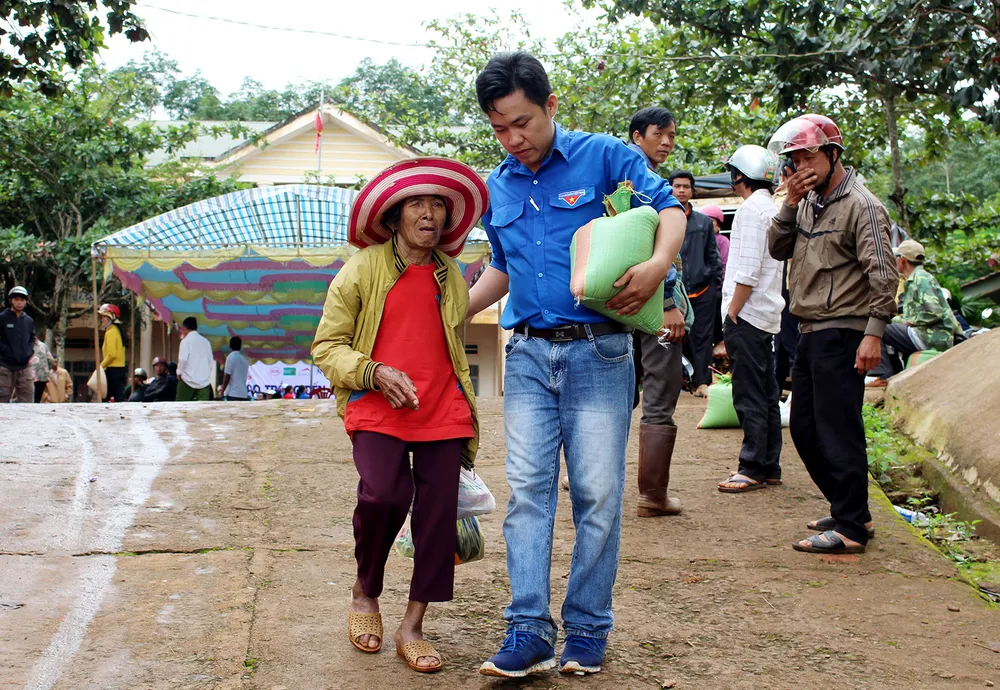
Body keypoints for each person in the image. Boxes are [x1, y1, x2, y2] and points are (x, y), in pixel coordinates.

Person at [469, 53, 686, 678]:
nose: (514, 139)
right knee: (527, 495)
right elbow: (502, 267)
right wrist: (451, 311)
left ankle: (588, 628)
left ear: (551, 106)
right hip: (527, 354)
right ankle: (528, 629)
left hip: (601, 351)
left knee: (597, 495)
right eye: (500, 128)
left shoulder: (605, 156)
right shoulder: (498, 185)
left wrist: (657, 267)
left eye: (523, 123)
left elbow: (670, 209)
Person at [312, 156, 486, 675]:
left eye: (438, 205)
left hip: (442, 406)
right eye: (417, 205)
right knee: (383, 495)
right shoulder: (361, 269)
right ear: (393, 217)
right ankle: (365, 590)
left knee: (437, 515)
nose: (429, 214)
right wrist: (373, 372)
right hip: (376, 402)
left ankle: (413, 625)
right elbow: (327, 347)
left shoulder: (451, 275)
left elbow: (449, 342)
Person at [767, 114, 898, 555]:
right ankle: (852, 509)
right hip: (808, 329)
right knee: (805, 429)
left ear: (833, 153)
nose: (801, 166)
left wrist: (874, 334)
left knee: (838, 429)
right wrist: (789, 203)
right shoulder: (806, 201)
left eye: (809, 156)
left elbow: (883, 274)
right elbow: (777, 249)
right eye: (795, 159)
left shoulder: (862, 205)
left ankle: (851, 528)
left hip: (844, 330)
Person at [625, 106, 690, 518]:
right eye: (658, 134)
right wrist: (668, 304)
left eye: (671, 135)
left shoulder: (614, 179)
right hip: (654, 305)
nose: (666, 142)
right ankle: (653, 495)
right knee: (661, 393)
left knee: (618, 393)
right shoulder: (644, 182)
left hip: (617, 304)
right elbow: (652, 250)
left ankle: (585, 475)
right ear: (637, 136)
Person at [717, 145, 785, 492]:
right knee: (767, 391)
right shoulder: (773, 209)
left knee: (749, 394)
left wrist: (732, 312)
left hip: (747, 314)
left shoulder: (750, 211)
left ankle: (752, 466)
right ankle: (770, 465)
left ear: (739, 176)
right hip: (766, 314)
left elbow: (747, 271)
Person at [867, 240, 954, 386]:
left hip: (931, 337)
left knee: (877, 327)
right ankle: (894, 373)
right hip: (930, 336)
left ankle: (880, 375)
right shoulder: (916, 278)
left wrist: (910, 321)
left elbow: (934, 312)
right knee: (887, 325)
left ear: (902, 260)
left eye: (896, 258)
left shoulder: (921, 279)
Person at [670, 170, 724, 397]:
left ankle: (703, 383)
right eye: (677, 186)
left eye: (686, 186)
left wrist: (715, 285)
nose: (682, 190)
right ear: (670, 189)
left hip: (703, 292)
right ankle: (675, 383)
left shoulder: (703, 222)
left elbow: (713, 255)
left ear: (692, 191)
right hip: (673, 292)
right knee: (670, 338)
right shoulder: (664, 218)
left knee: (703, 339)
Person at [0, 286, 36, 403]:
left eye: (22, 300)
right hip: (5, 366)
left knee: (27, 399)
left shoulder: (29, 320)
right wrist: (5, 351)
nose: (19, 303)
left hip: (25, 366)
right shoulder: (2, 318)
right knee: (2, 398)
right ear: (11, 300)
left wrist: (29, 352)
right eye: (16, 299)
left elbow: (32, 338)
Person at [701, 204, 729, 350]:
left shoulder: (722, 241)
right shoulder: (700, 240)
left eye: (712, 221)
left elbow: (724, 264)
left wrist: (718, 284)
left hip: (717, 288)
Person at [176, 317, 214, 401]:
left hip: (187, 380)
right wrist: (207, 376)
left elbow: (183, 359)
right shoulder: (206, 342)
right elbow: (210, 362)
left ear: (184, 328)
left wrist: (179, 372)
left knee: (181, 406)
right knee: (202, 408)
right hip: (203, 383)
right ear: (197, 327)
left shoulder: (185, 341)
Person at [96, 303, 127, 402]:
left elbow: (111, 354)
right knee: (116, 397)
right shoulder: (115, 331)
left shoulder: (111, 332)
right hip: (118, 369)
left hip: (113, 370)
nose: (102, 319)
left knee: (106, 397)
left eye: (104, 317)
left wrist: (100, 366)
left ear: (111, 318)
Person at [220, 336, 250, 401]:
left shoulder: (230, 358)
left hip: (233, 393)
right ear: (240, 347)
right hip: (243, 393)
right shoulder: (244, 360)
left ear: (230, 346)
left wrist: (222, 391)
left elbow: (227, 376)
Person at [30, 335, 54, 403]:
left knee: (29, 397)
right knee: (37, 397)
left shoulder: (27, 345)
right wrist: (47, 369)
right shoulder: (44, 345)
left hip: (30, 375)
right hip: (42, 375)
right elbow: (51, 360)